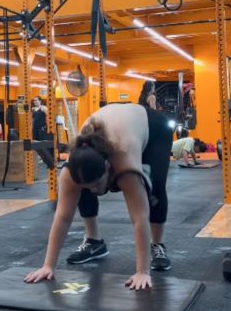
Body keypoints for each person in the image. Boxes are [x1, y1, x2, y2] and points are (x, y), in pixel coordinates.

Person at [24, 103, 173, 291]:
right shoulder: (71, 171)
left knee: (156, 189)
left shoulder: (125, 166)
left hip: (151, 126)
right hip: (113, 127)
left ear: (108, 167)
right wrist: (48, 266)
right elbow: (62, 218)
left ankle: (157, 245)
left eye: (97, 184)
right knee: (83, 184)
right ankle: (94, 241)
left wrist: (142, 271)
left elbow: (139, 218)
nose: (95, 191)